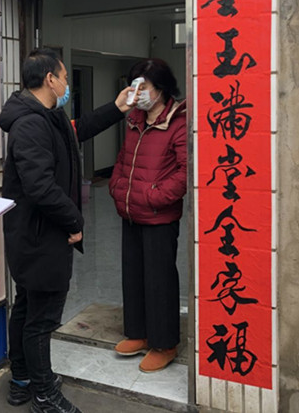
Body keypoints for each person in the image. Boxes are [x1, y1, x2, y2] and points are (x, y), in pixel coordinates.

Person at [0, 48, 135, 413]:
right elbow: (40, 186)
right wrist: (74, 222)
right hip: (40, 237)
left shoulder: (47, 116)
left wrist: (117, 107)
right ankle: (44, 394)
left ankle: (22, 379)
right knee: (40, 319)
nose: (66, 84)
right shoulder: (30, 125)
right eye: (63, 77)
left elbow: (78, 131)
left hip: (35, 234)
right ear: (50, 79)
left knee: (27, 307)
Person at [108, 58, 187, 373]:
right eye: (134, 86)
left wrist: (154, 196)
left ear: (162, 88)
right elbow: (123, 158)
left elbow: (185, 171)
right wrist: (117, 187)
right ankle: (138, 333)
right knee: (134, 275)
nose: (137, 93)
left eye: (144, 87)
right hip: (130, 211)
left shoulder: (178, 122)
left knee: (159, 280)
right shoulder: (134, 119)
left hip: (158, 215)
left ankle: (165, 343)